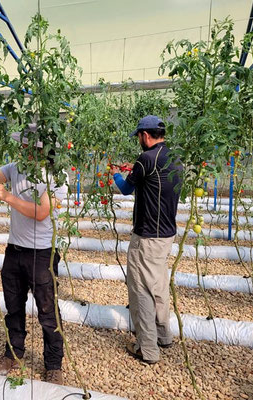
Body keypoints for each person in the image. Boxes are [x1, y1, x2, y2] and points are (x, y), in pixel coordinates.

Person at [0, 126, 68, 385]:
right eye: (23, 146)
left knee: (48, 311)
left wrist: (7, 196)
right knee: (13, 308)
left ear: (41, 150)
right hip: (14, 250)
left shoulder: (55, 175)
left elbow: (41, 212)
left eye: (28, 147)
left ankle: (53, 364)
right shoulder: (15, 168)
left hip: (42, 255)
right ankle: (12, 354)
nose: (23, 150)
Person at [111, 115, 182, 364]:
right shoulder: (174, 157)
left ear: (145, 135)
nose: (139, 141)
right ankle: (164, 335)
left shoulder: (146, 159)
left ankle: (147, 349)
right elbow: (152, 182)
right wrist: (132, 171)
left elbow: (127, 189)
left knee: (141, 290)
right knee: (159, 285)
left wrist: (116, 176)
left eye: (139, 137)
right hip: (166, 234)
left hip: (147, 235)